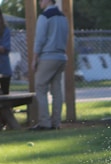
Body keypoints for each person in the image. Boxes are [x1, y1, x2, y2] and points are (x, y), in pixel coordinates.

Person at [29, 0, 69, 131]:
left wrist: (34, 59)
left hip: (48, 57)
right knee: (57, 90)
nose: (40, 2)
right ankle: (56, 122)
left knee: (40, 87)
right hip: (61, 56)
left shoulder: (44, 17)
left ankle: (44, 122)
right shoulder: (63, 17)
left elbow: (39, 39)